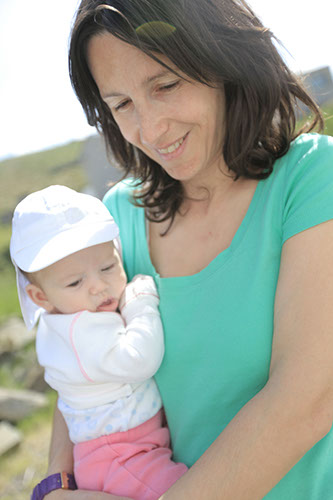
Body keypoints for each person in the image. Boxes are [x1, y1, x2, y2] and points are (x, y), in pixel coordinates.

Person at [37, 0, 333, 498]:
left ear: (223, 59)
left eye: (166, 85)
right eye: (122, 104)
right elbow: (80, 355)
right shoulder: (117, 217)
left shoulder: (313, 179)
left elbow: (307, 398)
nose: (150, 131)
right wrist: (54, 486)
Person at [10, 185, 187, 500]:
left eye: (107, 267)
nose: (99, 286)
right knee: (195, 489)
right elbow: (139, 359)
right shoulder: (77, 333)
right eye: (75, 281)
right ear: (40, 297)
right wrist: (141, 301)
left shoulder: (67, 320)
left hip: (122, 450)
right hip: (122, 457)